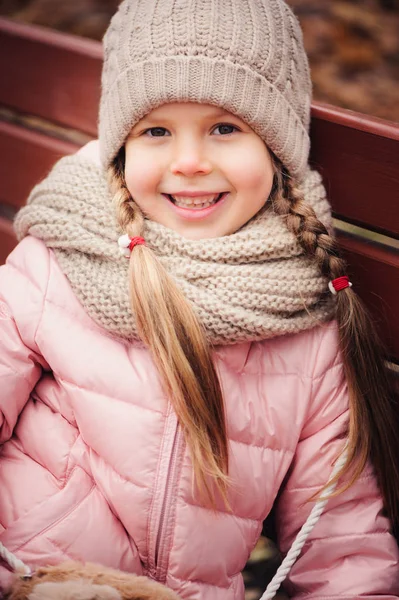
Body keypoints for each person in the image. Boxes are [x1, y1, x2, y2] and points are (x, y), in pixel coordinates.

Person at [0, 0, 398, 598]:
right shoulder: (59, 261)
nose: (189, 162)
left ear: (276, 147)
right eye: (156, 130)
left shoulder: (306, 325)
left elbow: (342, 542)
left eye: (225, 127)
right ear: (122, 148)